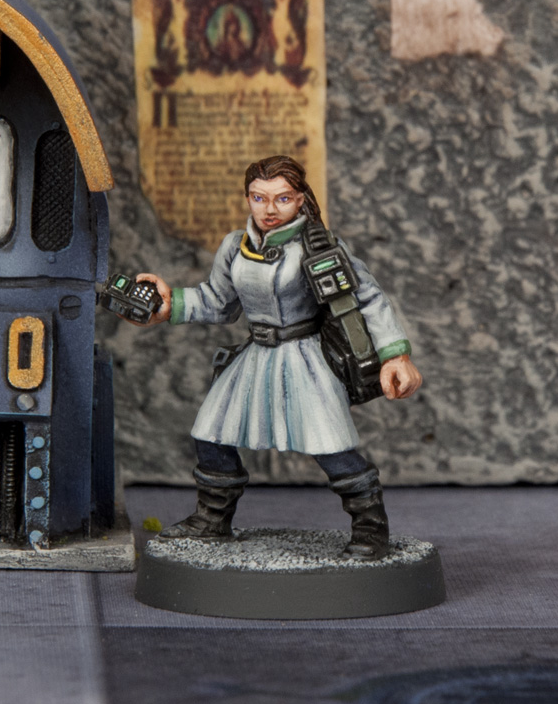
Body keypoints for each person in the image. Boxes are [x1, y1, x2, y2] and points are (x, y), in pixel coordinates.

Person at [135, 155, 421, 560]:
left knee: (331, 444)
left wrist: (396, 355)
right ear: (247, 199)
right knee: (211, 433)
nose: (269, 209)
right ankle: (212, 518)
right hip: (256, 358)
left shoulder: (319, 246)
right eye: (259, 197)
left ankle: (370, 528)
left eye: (282, 198)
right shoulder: (235, 247)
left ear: (300, 199)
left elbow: (369, 298)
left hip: (305, 360)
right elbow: (218, 302)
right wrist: (170, 304)